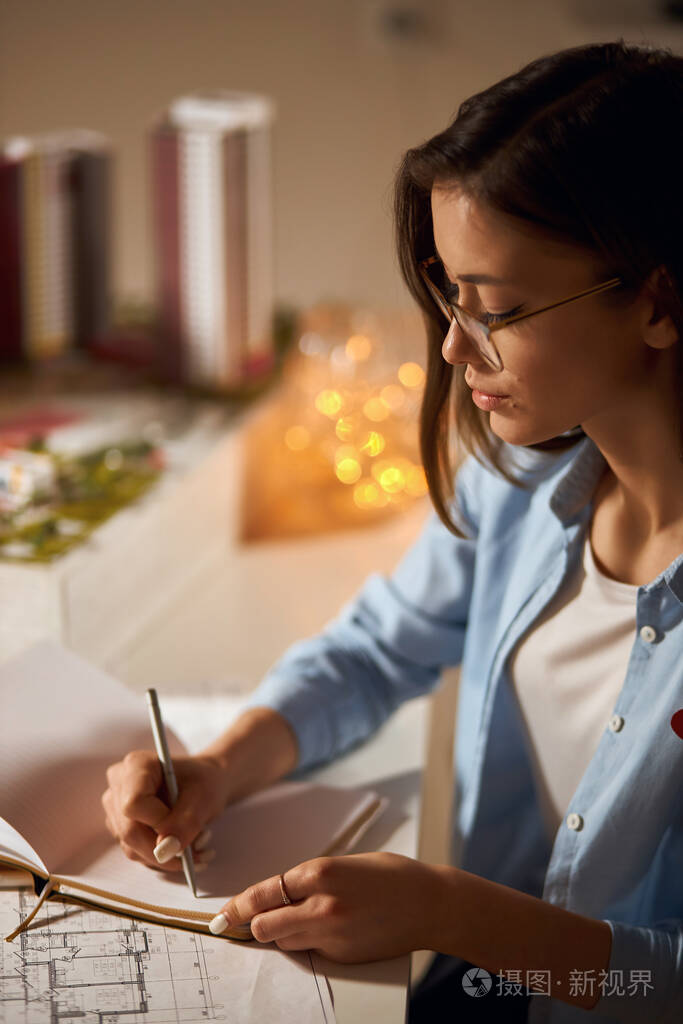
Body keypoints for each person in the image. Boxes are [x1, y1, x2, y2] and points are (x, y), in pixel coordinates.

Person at [102, 41, 683, 1023]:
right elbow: (376, 650)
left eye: (496, 308)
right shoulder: (518, 485)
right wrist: (219, 765)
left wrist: (449, 912)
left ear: (658, 303)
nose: (453, 345)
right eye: (450, 295)